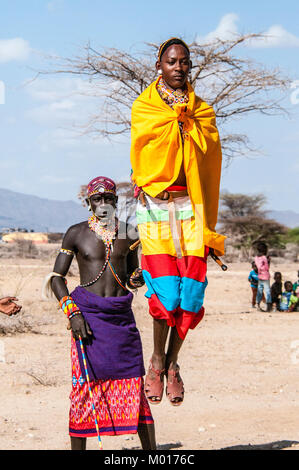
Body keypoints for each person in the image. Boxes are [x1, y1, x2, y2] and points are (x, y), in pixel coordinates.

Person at [130, 37, 225, 406]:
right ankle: (155, 361)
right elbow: (143, 150)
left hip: (192, 208)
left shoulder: (202, 110)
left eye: (185, 62)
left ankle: (173, 365)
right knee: (166, 293)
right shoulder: (145, 107)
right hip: (155, 208)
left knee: (191, 295)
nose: (180, 67)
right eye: (172, 62)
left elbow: (209, 155)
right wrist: (175, 124)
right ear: (160, 65)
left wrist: (187, 125)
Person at [45, 176, 155, 451]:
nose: (103, 204)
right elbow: (57, 277)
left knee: (133, 385)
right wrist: (72, 313)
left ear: (116, 202)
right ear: (88, 203)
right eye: (97, 199)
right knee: (84, 388)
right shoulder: (76, 233)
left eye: (108, 199)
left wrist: (137, 280)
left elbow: (129, 278)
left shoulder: (130, 233)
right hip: (87, 318)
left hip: (120, 319)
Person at [254, 242, 272, 312]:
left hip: (259, 276)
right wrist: (268, 261)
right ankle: (269, 306)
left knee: (259, 291)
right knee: (267, 291)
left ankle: (257, 304)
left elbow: (257, 266)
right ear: (265, 250)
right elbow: (267, 267)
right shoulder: (264, 257)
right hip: (265, 276)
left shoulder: (256, 258)